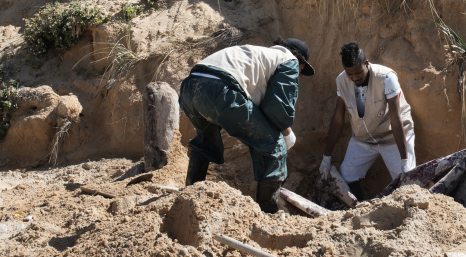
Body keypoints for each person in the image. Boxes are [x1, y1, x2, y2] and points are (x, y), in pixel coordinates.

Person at [178, 38, 315, 213]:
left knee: (206, 140)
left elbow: (261, 107)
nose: (299, 75)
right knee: (274, 146)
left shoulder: (258, 56)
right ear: (299, 59)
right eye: (301, 71)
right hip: (221, 88)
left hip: (190, 88)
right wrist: (286, 134)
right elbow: (277, 108)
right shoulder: (289, 60)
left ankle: (189, 194)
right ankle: (268, 212)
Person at [319, 42, 415, 200]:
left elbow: (396, 119)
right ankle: (358, 210)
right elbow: (337, 119)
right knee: (346, 175)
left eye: (358, 73)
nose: (354, 78)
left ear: (367, 64)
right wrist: (326, 157)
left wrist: (405, 160)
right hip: (363, 139)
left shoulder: (386, 77)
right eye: (350, 74)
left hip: (392, 136)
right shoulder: (342, 81)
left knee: (407, 182)